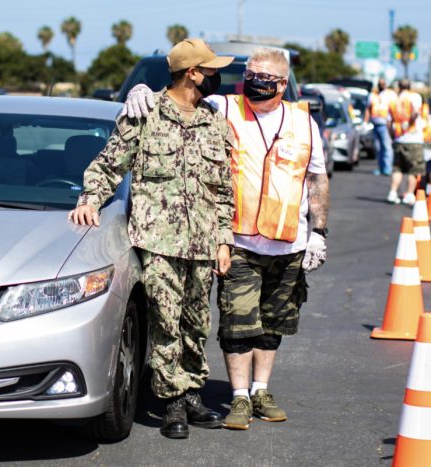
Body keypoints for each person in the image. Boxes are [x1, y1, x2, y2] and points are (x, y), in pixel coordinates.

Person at [122, 47, 330, 430]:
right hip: (237, 242)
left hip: (289, 242)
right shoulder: (223, 107)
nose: (252, 83)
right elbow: (176, 96)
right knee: (234, 325)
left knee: (270, 326)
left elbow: (316, 178)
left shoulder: (304, 123)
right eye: (249, 75)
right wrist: (139, 93)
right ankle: (233, 398)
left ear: (283, 84)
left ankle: (259, 391)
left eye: (263, 79)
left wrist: (318, 232)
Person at [69, 38, 235, 439]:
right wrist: (90, 198)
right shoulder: (145, 114)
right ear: (192, 73)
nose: (217, 76)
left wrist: (224, 238)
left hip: (203, 243)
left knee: (197, 322)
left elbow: (224, 188)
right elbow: (111, 162)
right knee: (166, 320)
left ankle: (193, 393)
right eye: (211, 69)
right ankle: (172, 403)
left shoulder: (214, 120)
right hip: (158, 241)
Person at [387, 79, 425, 205]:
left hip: (399, 139)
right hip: (413, 139)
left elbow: (388, 122)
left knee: (397, 168)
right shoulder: (415, 97)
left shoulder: (394, 101)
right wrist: (409, 123)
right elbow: (415, 113)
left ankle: (392, 193)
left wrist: (393, 136)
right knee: (413, 169)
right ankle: (409, 194)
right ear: (410, 86)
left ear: (398, 87)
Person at [366, 78, 397, 176]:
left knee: (387, 147)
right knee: (378, 148)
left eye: (383, 83)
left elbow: (395, 110)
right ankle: (380, 167)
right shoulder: (373, 95)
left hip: (385, 124)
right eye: (380, 83)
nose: (381, 85)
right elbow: (368, 109)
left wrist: (392, 123)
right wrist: (365, 122)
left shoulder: (390, 95)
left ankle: (388, 168)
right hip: (375, 124)